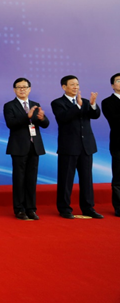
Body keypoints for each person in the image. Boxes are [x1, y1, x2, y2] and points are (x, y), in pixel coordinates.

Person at [51, 75, 103, 219]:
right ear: (64, 87)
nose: (76, 87)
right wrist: (77, 106)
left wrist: (92, 104)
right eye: (72, 84)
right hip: (68, 147)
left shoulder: (85, 101)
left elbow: (95, 115)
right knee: (66, 179)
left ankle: (88, 208)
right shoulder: (57, 103)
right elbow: (63, 118)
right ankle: (64, 209)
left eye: (77, 84)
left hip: (86, 147)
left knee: (87, 179)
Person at [3, 78, 50, 220]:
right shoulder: (9, 105)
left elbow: (45, 124)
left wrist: (42, 119)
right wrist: (26, 117)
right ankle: (19, 209)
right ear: (14, 90)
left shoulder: (36, 105)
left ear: (29, 89)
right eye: (19, 87)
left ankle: (31, 209)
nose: (22, 89)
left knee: (31, 179)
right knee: (19, 179)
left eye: (25, 87)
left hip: (34, 146)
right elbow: (10, 124)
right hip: (18, 147)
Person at [101, 73, 120, 217]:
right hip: (118, 143)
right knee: (119, 177)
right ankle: (119, 207)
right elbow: (114, 121)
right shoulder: (107, 102)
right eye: (118, 81)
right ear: (113, 85)